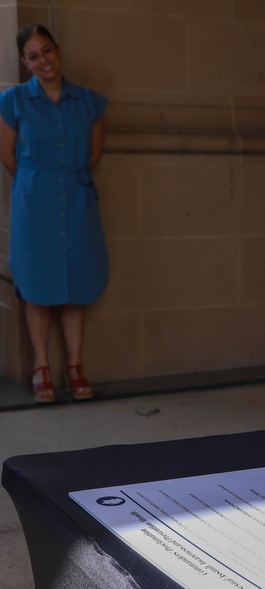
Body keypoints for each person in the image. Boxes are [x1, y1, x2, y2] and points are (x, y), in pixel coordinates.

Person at [0, 24, 109, 402]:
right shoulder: (13, 101)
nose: (43, 60)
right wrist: (38, 182)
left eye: (46, 51)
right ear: (24, 63)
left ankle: (75, 367)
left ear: (58, 51)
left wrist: (66, 180)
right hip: (35, 200)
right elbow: (7, 153)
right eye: (33, 56)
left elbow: (95, 153)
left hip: (78, 198)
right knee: (37, 285)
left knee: (76, 285)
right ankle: (41, 366)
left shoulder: (90, 102)